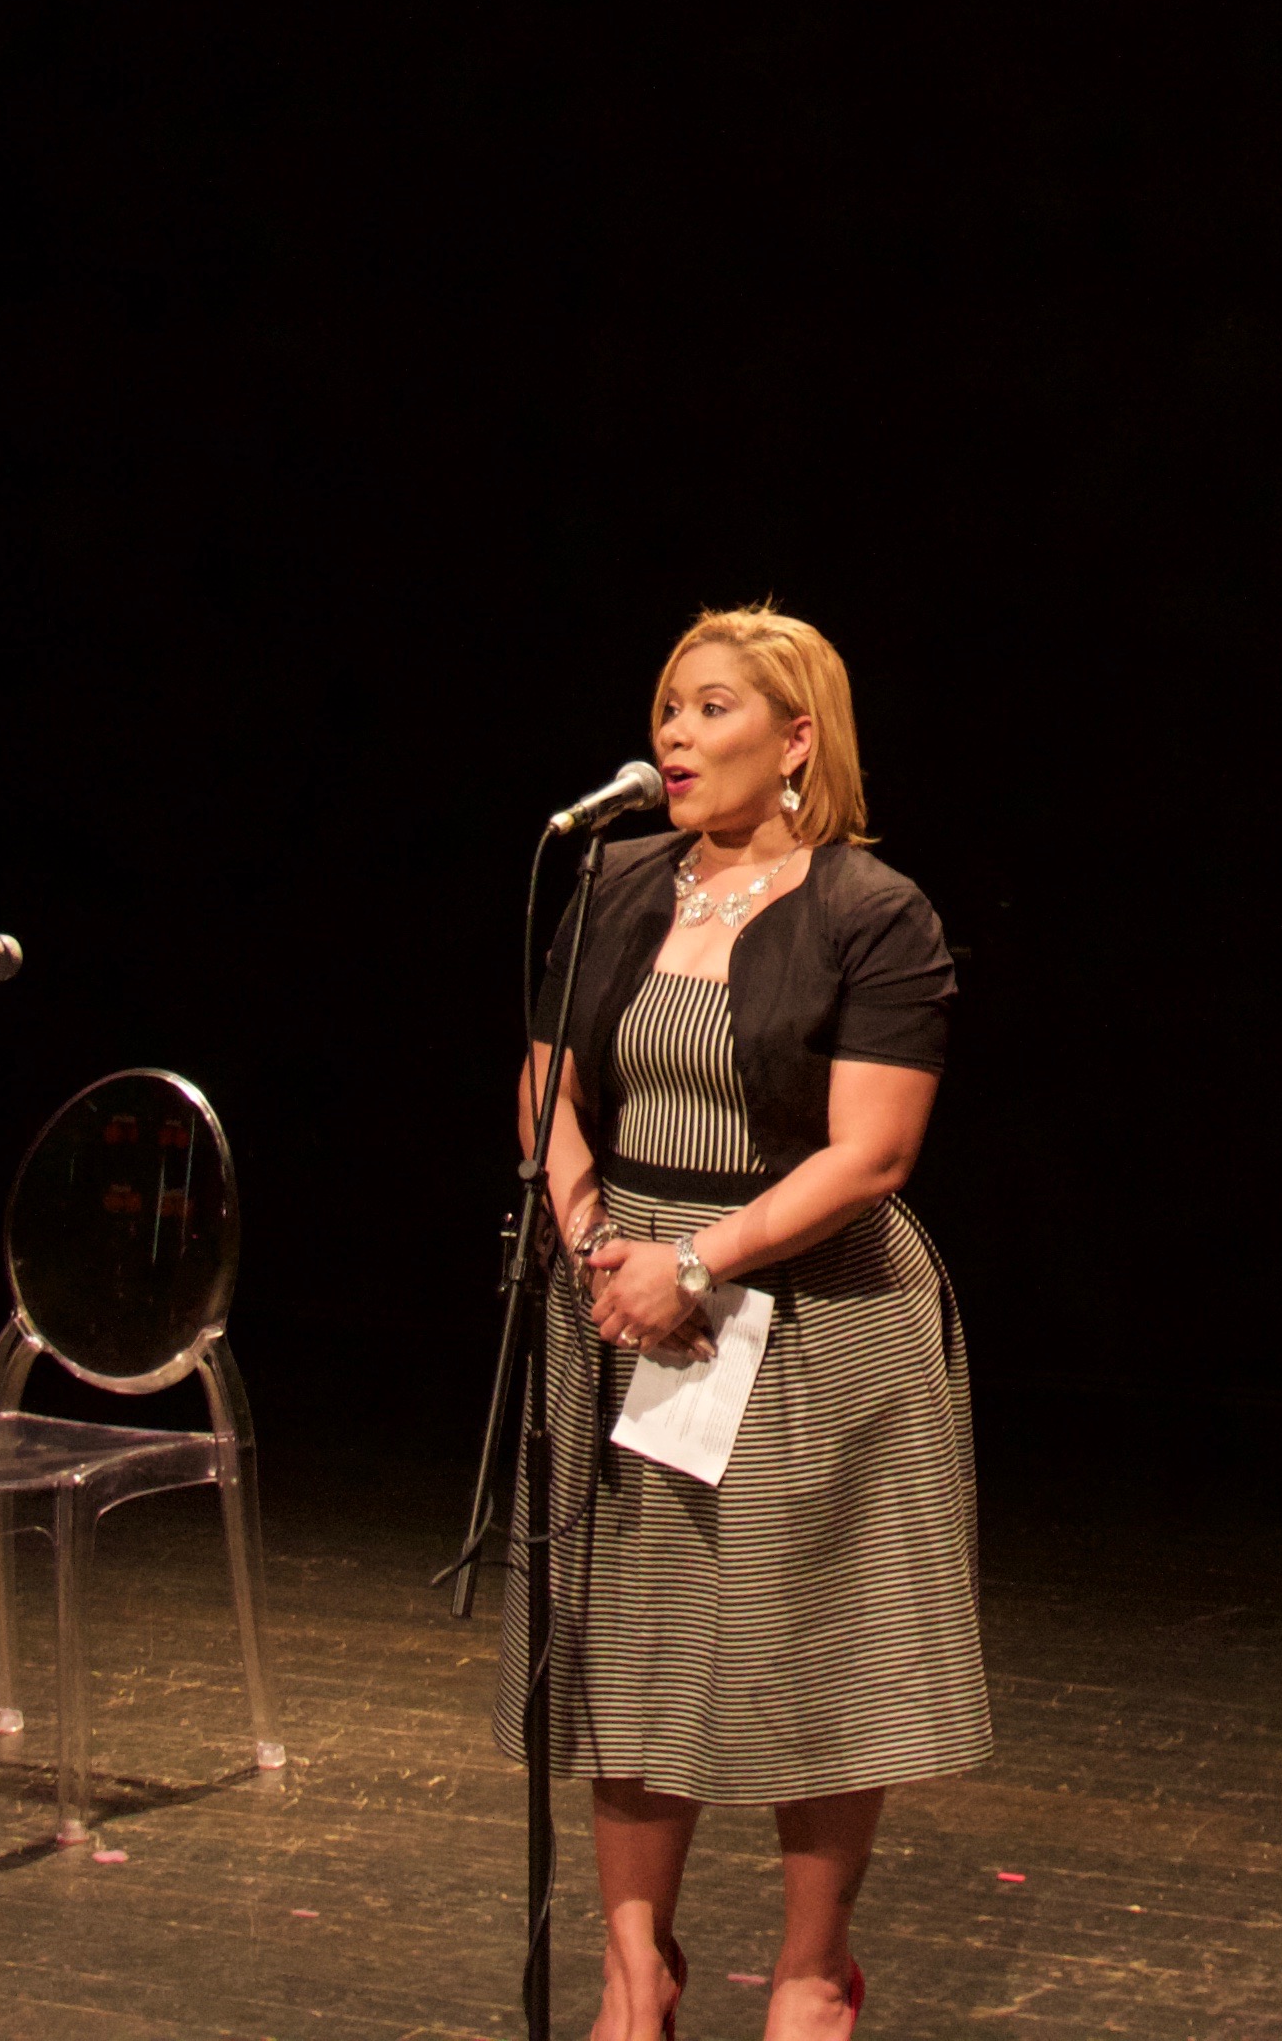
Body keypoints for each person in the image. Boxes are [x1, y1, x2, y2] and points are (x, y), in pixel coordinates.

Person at [515, 604, 985, 2041]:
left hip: (815, 1316)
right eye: (666, 707)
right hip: (619, 1303)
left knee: (812, 1646)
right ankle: (633, 1969)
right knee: (627, 1636)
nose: (674, 735)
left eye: (711, 709)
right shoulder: (609, 881)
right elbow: (549, 1090)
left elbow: (872, 1154)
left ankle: (806, 1977)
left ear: (795, 742)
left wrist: (698, 1265)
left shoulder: (871, 912)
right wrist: (599, 1245)